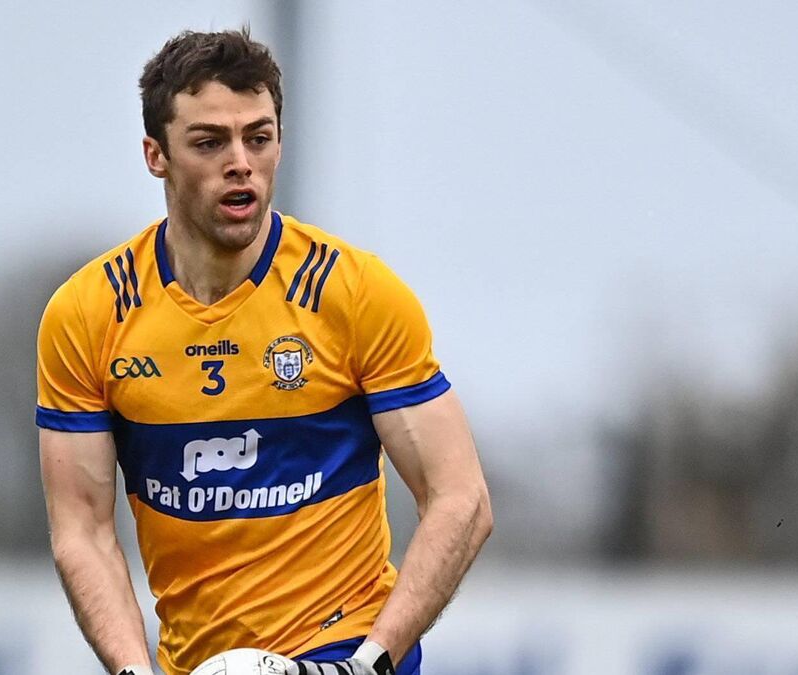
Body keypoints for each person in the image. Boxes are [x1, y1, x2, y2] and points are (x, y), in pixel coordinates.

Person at [36, 28, 492, 675]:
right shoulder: (89, 314)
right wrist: (133, 669)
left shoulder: (354, 293)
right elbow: (81, 529)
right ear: (155, 155)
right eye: (209, 142)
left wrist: (371, 662)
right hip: (193, 662)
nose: (241, 163)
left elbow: (461, 498)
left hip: (342, 650)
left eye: (259, 137)